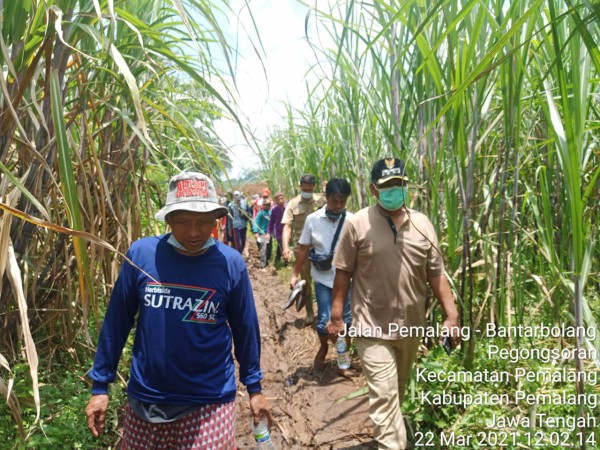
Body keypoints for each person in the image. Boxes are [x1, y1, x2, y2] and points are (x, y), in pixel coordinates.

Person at [85, 171, 272, 449]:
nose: (194, 232)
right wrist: (100, 386)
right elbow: (117, 323)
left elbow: (245, 329)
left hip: (209, 400)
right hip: (147, 400)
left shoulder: (230, 263)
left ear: (216, 220)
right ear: (169, 219)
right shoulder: (142, 255)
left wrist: (254, 389)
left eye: (203, 221)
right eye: (183, 221)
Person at [326, 158, 460, 449]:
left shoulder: (422, 224)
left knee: (395, 393)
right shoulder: (357, 223)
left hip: (410, 329)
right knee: (386, 399)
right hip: (371, 328)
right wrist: (337, 316)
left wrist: (451, 315)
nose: (393, 190)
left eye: (399, 184)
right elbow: (343, 272)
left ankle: (390, 439)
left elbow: (435, 273)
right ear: (374, 189)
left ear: (406, 186)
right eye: (387, 186)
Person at [290, 178, 353, 373]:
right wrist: (294, 273)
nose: (338, 205)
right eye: (335, 200)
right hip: (324, 279)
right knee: (324, 320)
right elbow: (303, 248)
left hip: (348, 280)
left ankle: (343, 359)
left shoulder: (353, 220)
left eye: (343, 201)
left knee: (346, 321)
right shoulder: (313, 220)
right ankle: (324, 346)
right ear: (326, 198)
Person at [281, 174, 326, 325]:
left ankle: (324, 311)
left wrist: (329, 192)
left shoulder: (322, 199)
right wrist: (286, 246)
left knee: (323, 279)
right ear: (300, 186)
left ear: (314, 187)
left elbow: (339, 208)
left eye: (310, 189)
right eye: (304, 189)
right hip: (302, 249)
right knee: (306, 282)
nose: (307, 191)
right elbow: (287, 225)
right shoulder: (293, 204)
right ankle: (310, 313)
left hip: (321, 246)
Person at [252, 198, 272, 268]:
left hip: (268, 234)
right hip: (262, 234)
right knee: (263, 249)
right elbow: (256, 222)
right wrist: (256, 231)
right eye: (266, 205)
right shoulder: (261, 213)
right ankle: (262, 264)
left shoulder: (270, 213)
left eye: (269, 205)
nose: (268, 206)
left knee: (269, 249)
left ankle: (267, 261)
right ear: (263, 205)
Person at [266, 192, 286, 263]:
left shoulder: (287, 207)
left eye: (282, 198)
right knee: (282, 246)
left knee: (283, 245)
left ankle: (277, 257)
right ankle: (286, 262)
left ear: (284, 198)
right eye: (278, 199)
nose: (280, 201)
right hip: (278, 231)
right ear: (276, 201)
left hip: (286, 230)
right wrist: (268, 232)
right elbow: (271, 222)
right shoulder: (274, 210)